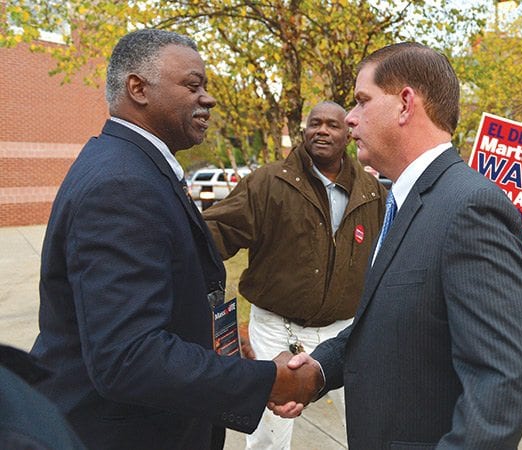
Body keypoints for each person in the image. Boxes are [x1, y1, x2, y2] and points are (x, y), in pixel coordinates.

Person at [29, 29, 320, 450]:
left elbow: (150, 297)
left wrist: (212, 338)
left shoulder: (138, 167)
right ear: (138, 88)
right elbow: (128, 357)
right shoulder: (122, 183)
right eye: (192, 85)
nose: (209, 99)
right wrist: (268, 380)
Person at [272, 42, 522, 449]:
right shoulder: (400, 200)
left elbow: (503, 382)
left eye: (362, 101)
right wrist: (319, 372)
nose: (350, 118)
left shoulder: (471, 207)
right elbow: (391, 325)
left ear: (404, 104)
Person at [203, 101, 386, 449]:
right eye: (314, 123)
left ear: (348, 132)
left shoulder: (371, 191)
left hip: (344, 333)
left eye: (332, 125)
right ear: (304, 131)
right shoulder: (267, 183)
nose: (322, 130)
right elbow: (215, 234)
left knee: (368, 426)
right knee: (268, 436)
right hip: (275, 328)